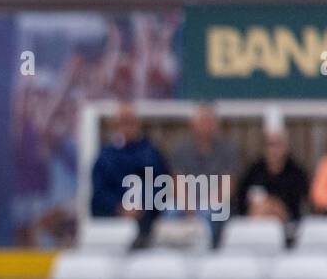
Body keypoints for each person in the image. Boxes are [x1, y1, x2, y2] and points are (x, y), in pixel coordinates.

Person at [89, 101, 170, 246]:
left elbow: (161, 185)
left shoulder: (151, 154)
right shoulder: (106, 156)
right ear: (116, 125)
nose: (127, 127)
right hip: (113, 214)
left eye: (131, 122)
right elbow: (99, 191)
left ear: (138, 124)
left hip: (146, 215)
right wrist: (119, 207)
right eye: (123, 122)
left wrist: (142, 206)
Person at [169, 103, 239, 245]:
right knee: (170, 211)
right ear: (193, 124)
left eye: (209, 122)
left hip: (215, 203)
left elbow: (228, 186)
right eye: (202, 121)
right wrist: (188, 206)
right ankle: (170, 254)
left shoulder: (227, 150)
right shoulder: (182, 150)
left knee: (210, 214)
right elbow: (178, 182)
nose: (206, 126)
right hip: (188, 203)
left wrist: (206, 205)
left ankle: (206, 252)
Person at [233, 128, 310, 225]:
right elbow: (242, 199)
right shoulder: (253, 171)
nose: (274, 150)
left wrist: (273, 205)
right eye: (270, 145)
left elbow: (298, 205)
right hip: (254, 219)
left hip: (286, 224)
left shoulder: (296, 173)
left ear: (286, 147)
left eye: (277, 145)